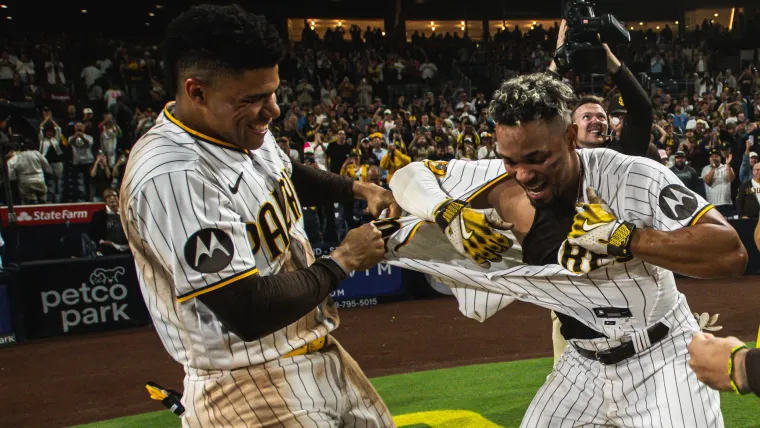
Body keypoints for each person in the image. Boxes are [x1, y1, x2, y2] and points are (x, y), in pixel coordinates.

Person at [386, 72, 747, 427]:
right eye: (511, 161)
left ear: (571, 137)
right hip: (582, 362)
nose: (523, 174)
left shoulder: (631, 175)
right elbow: (408, 176)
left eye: (537, 158)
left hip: (661, 354)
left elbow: (730, 253)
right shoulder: (500, 173)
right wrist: (446, 211)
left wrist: (626, 238)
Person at [119, 5, 396, 427]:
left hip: (316, 354)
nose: (273, 110)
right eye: (253, 98)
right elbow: (245, 309)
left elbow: (283, 172)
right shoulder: (174, 175)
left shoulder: (235, 128)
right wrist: (344, 261)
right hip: (245, 384)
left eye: (272, 92)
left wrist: (357, 188)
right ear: (197, 92)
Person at [90, 188, 128, 255]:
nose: (112, 198)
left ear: (119, 198)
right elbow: (93, 234)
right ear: (105, 200)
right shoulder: (98, 216)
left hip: (128, 250)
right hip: (108, 251)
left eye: (114, 195)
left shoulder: (127, 214)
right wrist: (102, 242)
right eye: (108, 196)